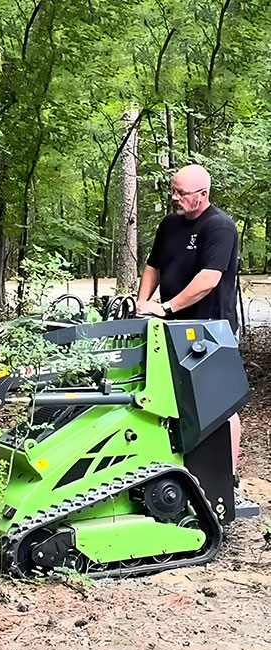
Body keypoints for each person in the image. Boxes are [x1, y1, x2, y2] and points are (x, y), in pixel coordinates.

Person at [136, 163, 241, 473]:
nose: (174, 197)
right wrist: (144, 302)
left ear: (202, 195)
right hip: (172, 329)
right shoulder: (169, 224)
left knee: (219, 406)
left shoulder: (219, 227)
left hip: (210, 330)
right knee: (173, 401)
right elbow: (153, 265)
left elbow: (208, 279)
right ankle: (183, 470)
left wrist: (166, 307)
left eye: (181, 193)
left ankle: (227, 477)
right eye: (173, 190)